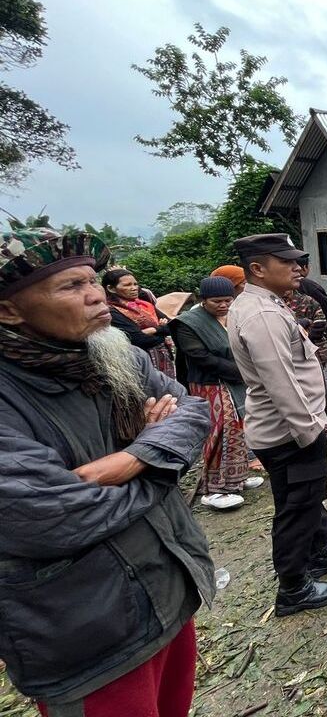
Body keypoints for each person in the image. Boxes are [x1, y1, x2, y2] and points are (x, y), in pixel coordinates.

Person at [0, 223, 214, 716]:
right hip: (87, 635)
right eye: (72, 287)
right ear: (9, 309)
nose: (97, 295)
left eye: (93, 280)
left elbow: (192, 413)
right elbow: (56, 516)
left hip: (166, 588)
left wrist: (133, 457)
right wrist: (163, 467)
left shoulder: (110, 356)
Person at [227, 233, 327, 617]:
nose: (297, 268)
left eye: (297, 261)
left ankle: (321, 549)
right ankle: (293, 586)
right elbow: (281, 382)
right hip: (289, 432)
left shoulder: (265, 304)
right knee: (296, 506)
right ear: (257, 268)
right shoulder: (264, 315)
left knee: (307, 496)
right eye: (285, 262)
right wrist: (311, 429)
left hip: (288, 427)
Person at [171, 276, 264, 511]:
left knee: (241, 427)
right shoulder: (188, 324)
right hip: (211, 384)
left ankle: (237, 477)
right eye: (217, 301)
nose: (223, 305)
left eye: (227, 300)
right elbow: (201, 358)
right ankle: (216, 488)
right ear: (203, 300)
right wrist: (243, 371)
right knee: (221, 430)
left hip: (236, 382)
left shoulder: (232, 316)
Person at [103, 267, 176, 379]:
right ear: (111, 288)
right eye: (127, 285)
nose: (134, 288)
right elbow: (139, 340)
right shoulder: (111, 311)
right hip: (138, 361)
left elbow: (173, 325)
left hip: (161, 357)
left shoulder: (145, 305)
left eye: (135, 284)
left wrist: (154, 330)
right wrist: (162, 330)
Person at [285, 285, 327, 401]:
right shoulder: (276, 305)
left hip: (315, 350)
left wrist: (304, 333)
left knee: (317, 386)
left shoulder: (307, 301)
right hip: (290, 353)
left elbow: (321, 322)